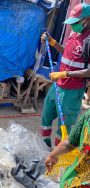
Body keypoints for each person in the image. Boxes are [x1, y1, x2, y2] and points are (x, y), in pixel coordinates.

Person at [40, 3, 90, 148]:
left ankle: (57, 155)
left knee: (64, 125)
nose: (73, 25)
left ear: (86, 20)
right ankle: (44, 145)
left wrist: (64, 73)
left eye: (75, 22)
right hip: (58, 84)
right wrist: (52, 42)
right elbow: (67, 52)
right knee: (46, 115)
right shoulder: (75, 33)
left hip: (72, 91)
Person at [45, 109, 90, 188]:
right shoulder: (87, 116)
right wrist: (52, 156)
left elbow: (69, 143)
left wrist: (52, 156)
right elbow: (69, 143)